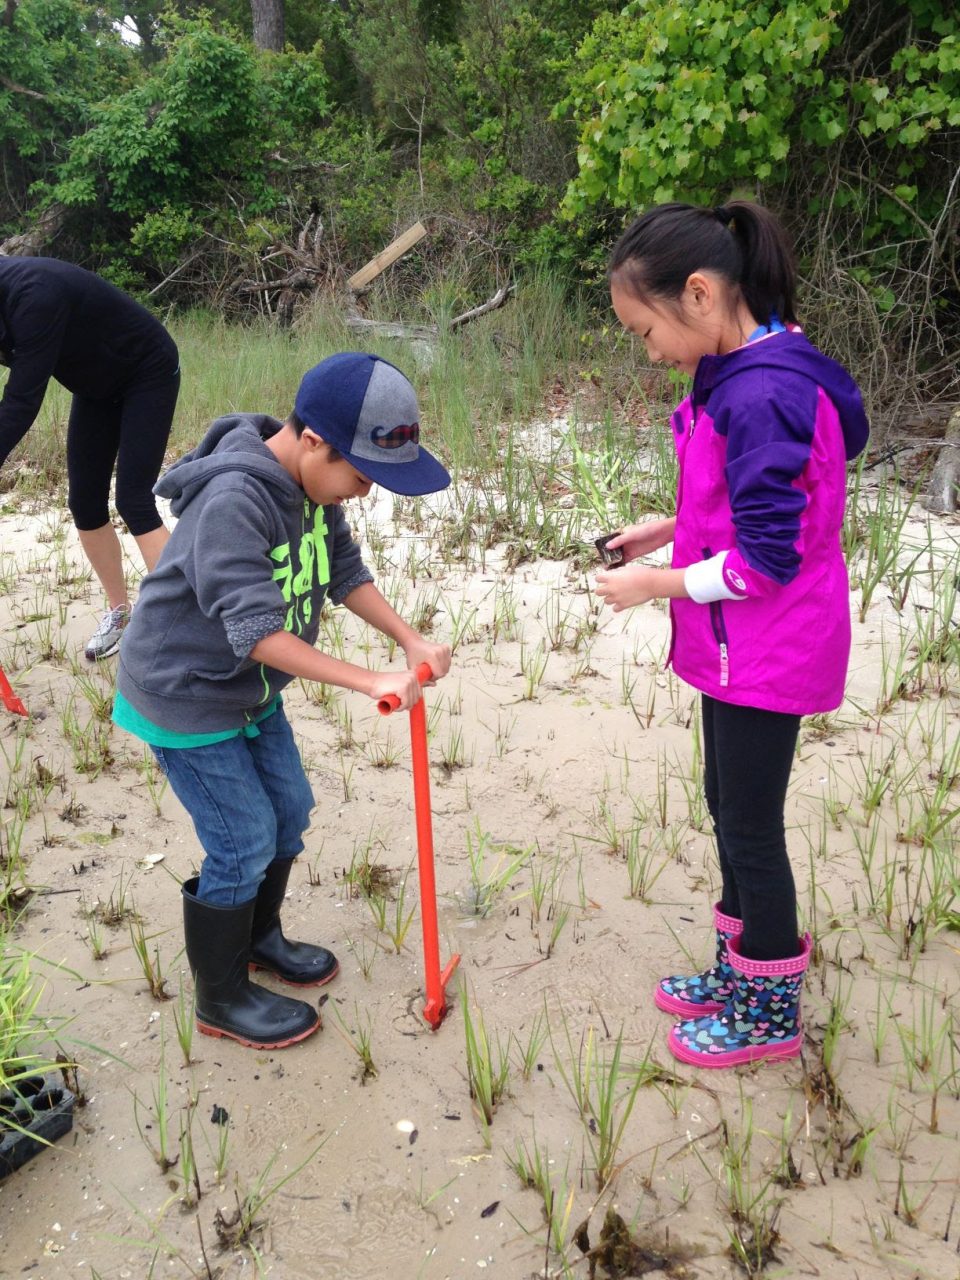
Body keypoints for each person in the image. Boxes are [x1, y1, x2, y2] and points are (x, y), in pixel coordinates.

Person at [112, 351, 452, 1050]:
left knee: (289, 810)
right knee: (241, 841)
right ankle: (221, 996)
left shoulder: (312, 491)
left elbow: (344, 573)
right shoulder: (236, 500)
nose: (361, 492)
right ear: (311, 441)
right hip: (187, 696)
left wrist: (408, 640)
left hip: (248, 694)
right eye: (360, 476)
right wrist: (367, 679)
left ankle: (259, 937)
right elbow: (257, 631)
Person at [597, 201, 868, 1069]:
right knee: (727, 805)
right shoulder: (749, 368)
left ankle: (767, 1009)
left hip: (770, 647)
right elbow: (740, 512)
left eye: (645, 331)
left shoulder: (766, 392)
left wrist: (653, 584)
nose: (649, 352)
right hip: (735, 649)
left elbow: (764, 562)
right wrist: (663, 532)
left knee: (750, 823)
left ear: (702, 294)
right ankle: (739, 966)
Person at [0, 256, 180, 659]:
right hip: (96, 385)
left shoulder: (34, 295)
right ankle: (119, 612)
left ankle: (189, 620)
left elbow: (21, 401)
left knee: (133, 500)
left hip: (146, 370)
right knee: (84, 503)